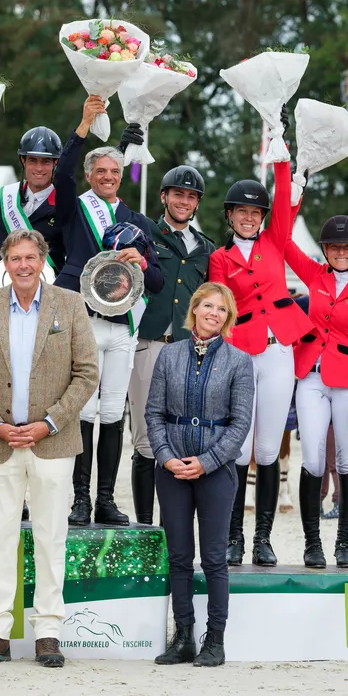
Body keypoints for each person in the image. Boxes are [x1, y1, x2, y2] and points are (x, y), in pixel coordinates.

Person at [0, 229, 98, 668]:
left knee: (50, 537)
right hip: (0, 441)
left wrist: (49, 422)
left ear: (42, 260)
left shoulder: (70, 304)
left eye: (30, 258)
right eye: (15, 258)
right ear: (5, 262)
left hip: (53, 442)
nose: (23, 265)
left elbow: (87, 373)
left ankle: (49, 632)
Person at [51, 96, 165, 527]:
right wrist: (82, 126)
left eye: (115, 172)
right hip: (82, 322)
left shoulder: (137, 220)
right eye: (100, 172)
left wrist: (141, 261)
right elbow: (61, 173)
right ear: (89, 176)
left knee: (114, 412)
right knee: (83, 411)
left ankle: (104, 500)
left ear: (122, 177)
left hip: (121, 329)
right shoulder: (73, 208)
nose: (108, 178)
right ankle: (79, 499)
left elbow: (155, 281)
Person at [208, 144, 310, 567]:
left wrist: (283, 159)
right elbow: (218, 306)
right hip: (239, 354)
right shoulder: (220, 257)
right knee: (238, 449)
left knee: (269, 448)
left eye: (256, 213)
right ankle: (234, 536)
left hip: (278, 352)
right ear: (230, 216)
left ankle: (263, 538)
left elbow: (286, 199)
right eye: (242, 213)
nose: (250, 219)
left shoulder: (276, 241)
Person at [145, 282, 254, 668]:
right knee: (178, 557)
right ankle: (184, 638)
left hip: (216, 470)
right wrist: (165, 456)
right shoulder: (169, 355)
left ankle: (216, 640)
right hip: (171, 468)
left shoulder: (240, 362)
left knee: (214, 559)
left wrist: (207, 461)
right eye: (207, 306)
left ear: (228, 317)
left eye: (221, 310)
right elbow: (153, 413)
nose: (213, 314)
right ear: (194, 309)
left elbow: (240, 424)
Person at [280, 207, 348, 569]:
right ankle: (311, 544)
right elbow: (285, 240)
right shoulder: (314, 275)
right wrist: (294, 193)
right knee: (313, 459)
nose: (341, 252)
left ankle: (344, 543)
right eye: (334, 246)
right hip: (311, 378)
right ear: (325, 250)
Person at [125, 163, 214, 526]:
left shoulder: (206, 248)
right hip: (149, 342)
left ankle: (172, 525)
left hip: (188, 349)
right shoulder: (145, 232)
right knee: (147, 438)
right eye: (178, 193)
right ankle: (145, 525)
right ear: (164, 196)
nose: (183, 201)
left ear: (197, 204)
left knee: (181, 437)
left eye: (191, 196)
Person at [0, 127, 68, 286]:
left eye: (46, 161)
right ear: (23, 161)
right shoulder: (2, 199)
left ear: (56, 163)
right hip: (2, 293)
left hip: (49, 294)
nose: (39, 168)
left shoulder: (67, 205)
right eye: (33, 160)